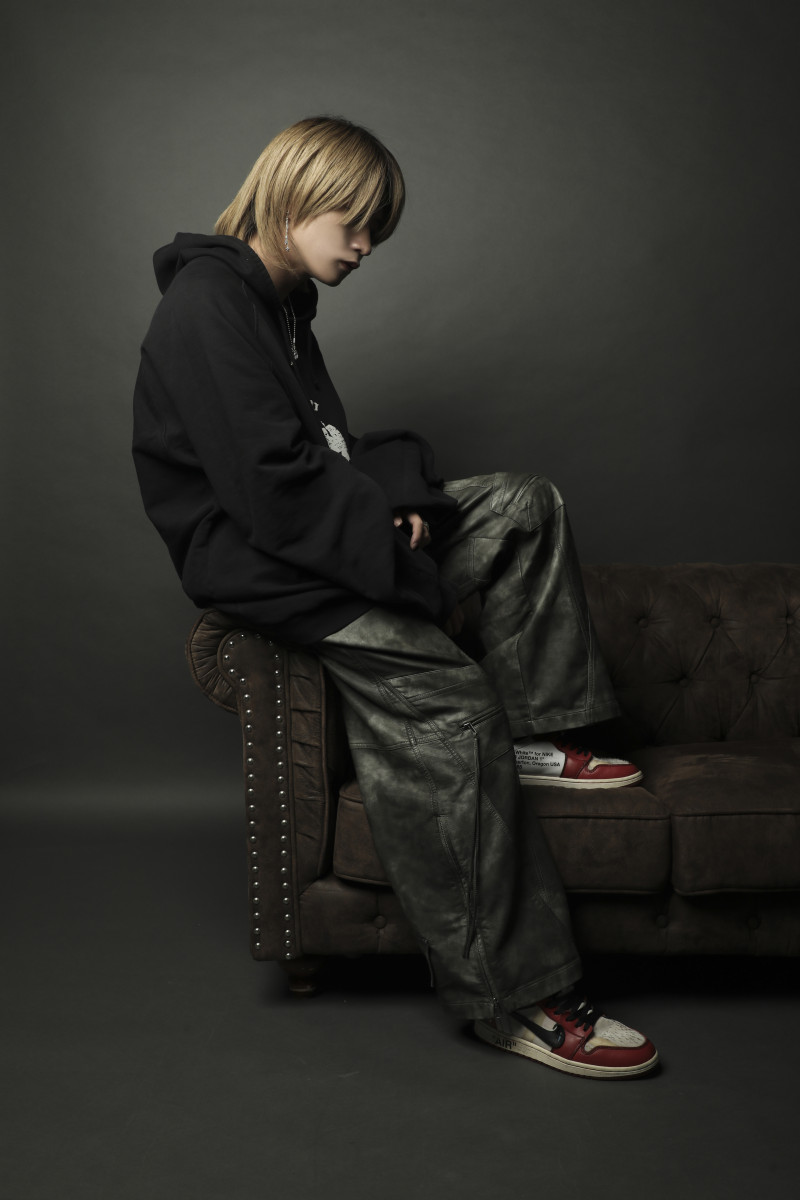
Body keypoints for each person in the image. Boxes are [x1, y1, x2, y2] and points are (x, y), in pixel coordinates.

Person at [132, 116, 659, 1080]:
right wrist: (388, 540)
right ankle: (516, 998)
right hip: (267, 568)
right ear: (295, 197)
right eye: (356, 222)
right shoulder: (208, 305)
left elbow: (326, 453)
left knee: (521, 507)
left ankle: (533, 735)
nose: (368, 246)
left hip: (311, 533)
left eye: (379, 229)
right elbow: (272, 494)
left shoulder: (284, 305)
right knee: (454, 704)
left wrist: (396, 497)